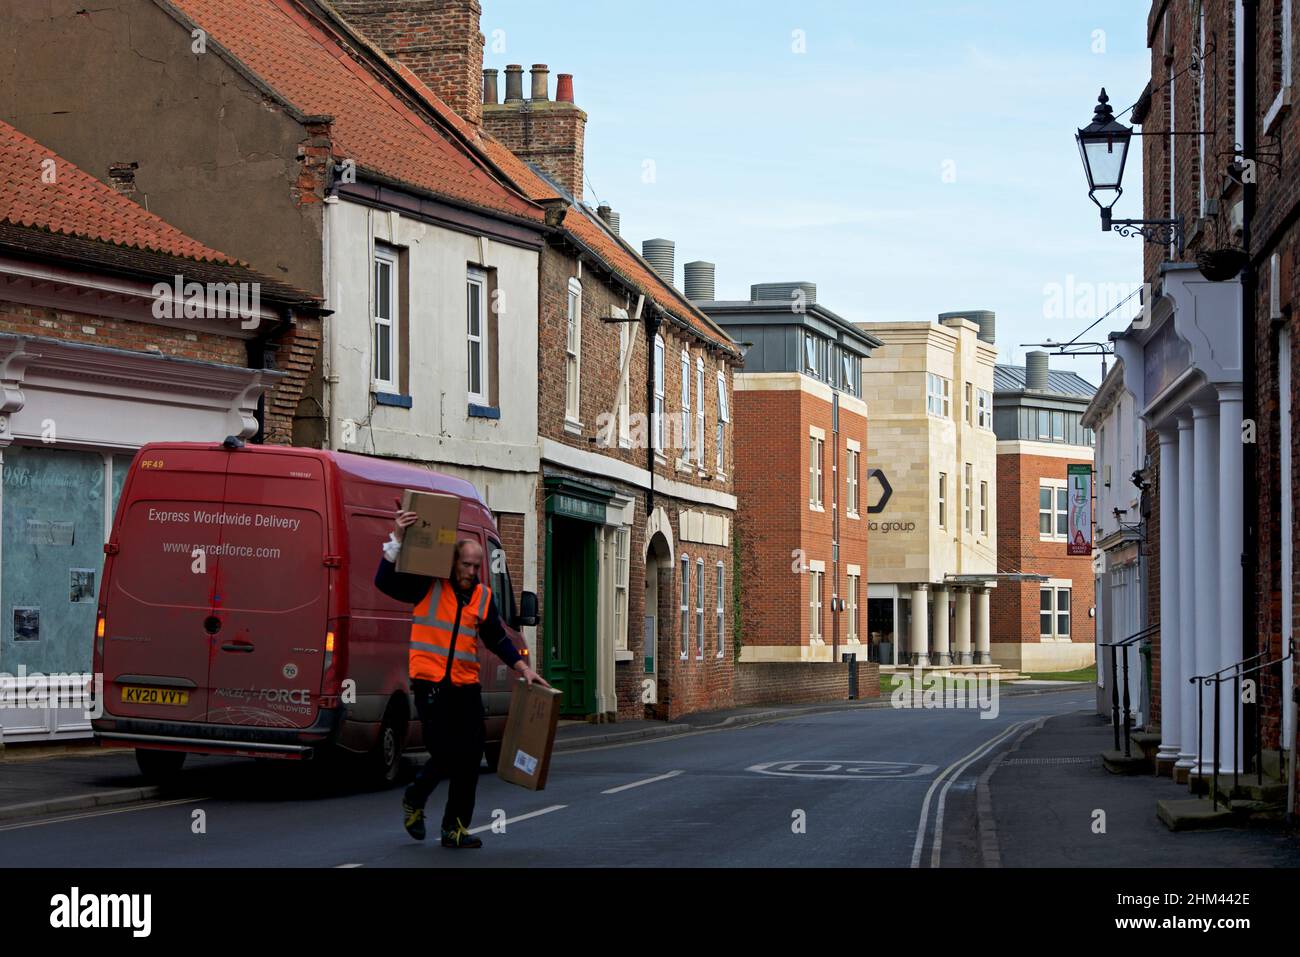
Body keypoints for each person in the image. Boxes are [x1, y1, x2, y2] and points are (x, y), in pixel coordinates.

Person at [375, 509, 548, 848]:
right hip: (431, 685)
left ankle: (454, 828)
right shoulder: (429, 585)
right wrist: (396, 538)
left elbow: (497, 638)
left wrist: (523, 668)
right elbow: (385, 582)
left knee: (470, 758)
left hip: (466, 687)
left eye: (475, 567)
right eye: (465, 565)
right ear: (453, 563)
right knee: (445, 755)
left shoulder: (483, 597)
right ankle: (415, 797)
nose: (471, 572)